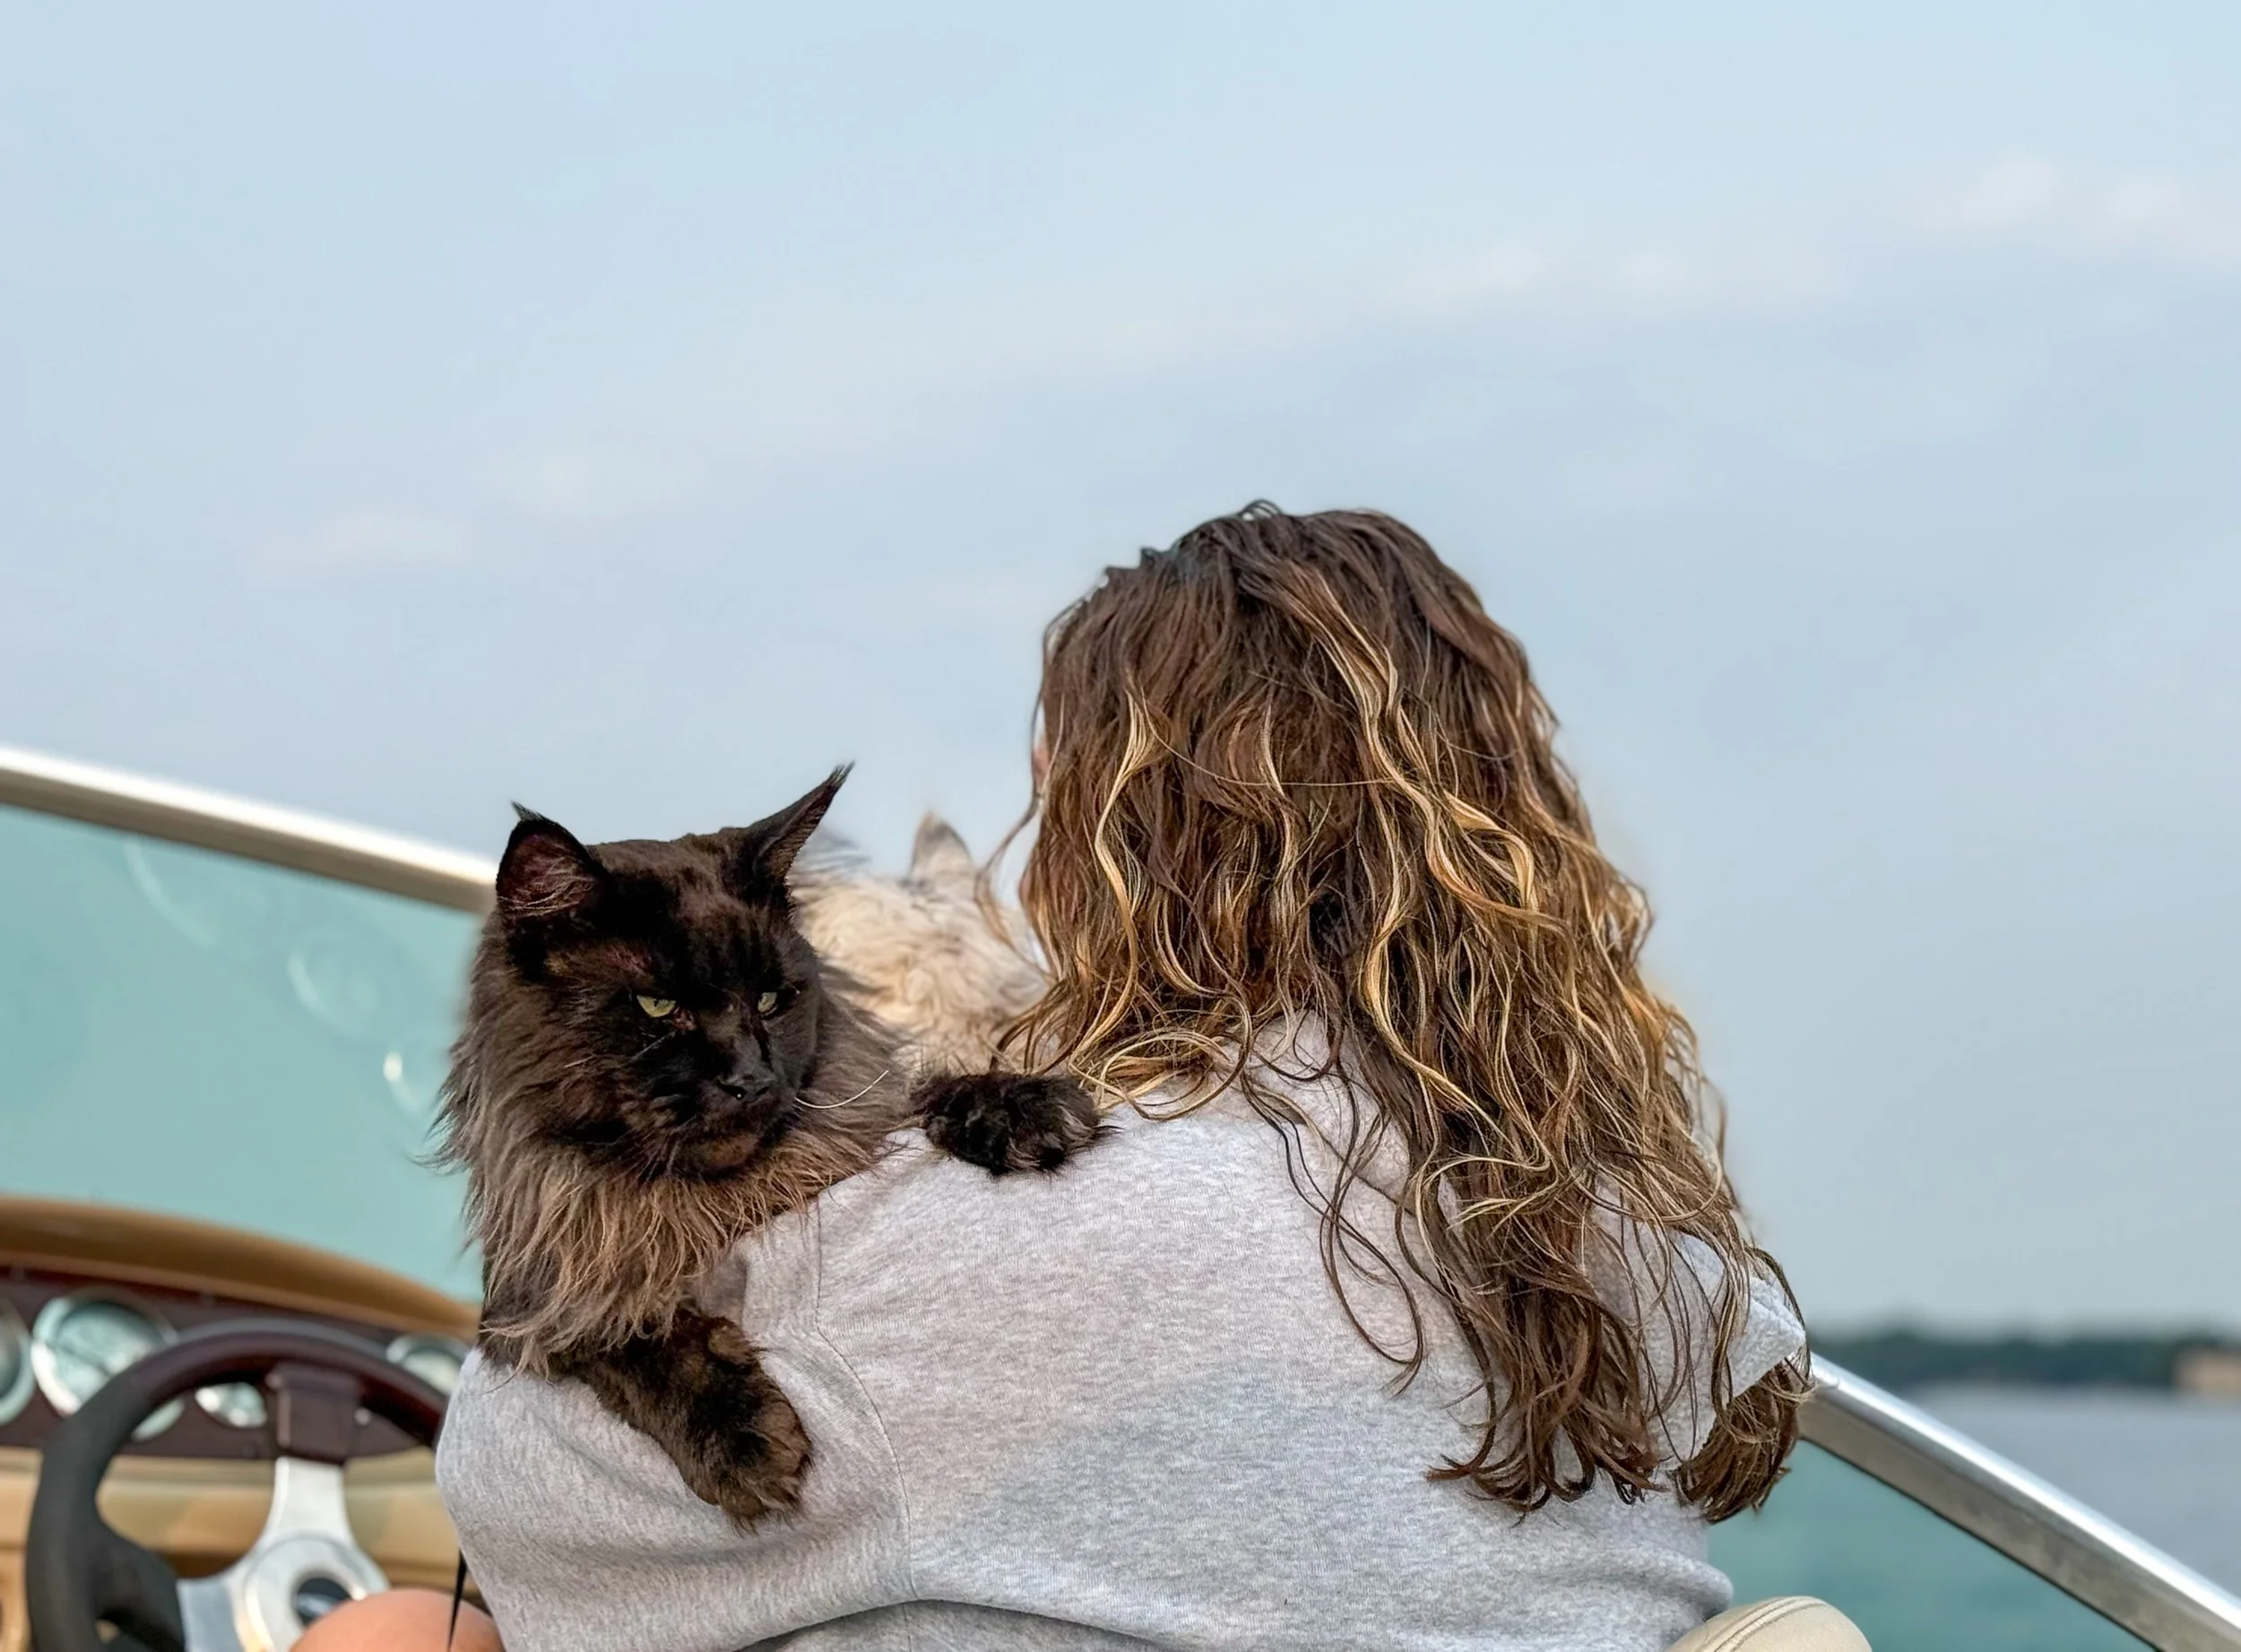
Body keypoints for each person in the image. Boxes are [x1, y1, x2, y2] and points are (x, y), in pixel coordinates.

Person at [335, 506, 1808, 1652]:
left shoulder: (924, 1256)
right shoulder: (1662, 1269)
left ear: (1104, 836)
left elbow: (508, 1501)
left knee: (398, 1628)